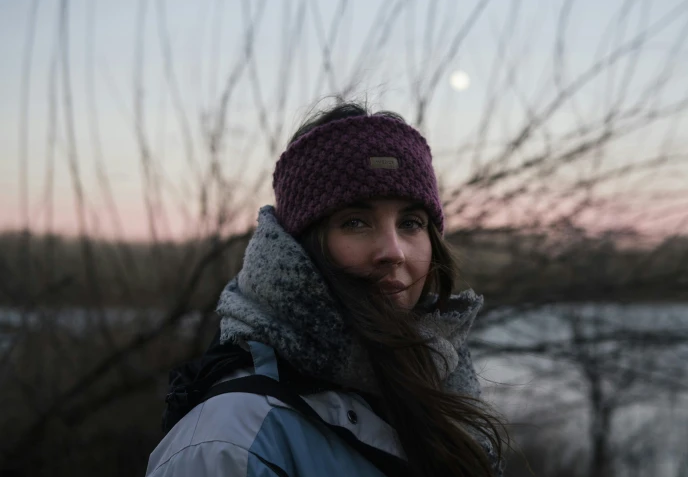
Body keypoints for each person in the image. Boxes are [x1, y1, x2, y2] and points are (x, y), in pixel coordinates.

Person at [145, 103, 506, 477]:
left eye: (411, 222)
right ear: (296, 250)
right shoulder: (231, 446)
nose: (393, 251)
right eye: (355, 222)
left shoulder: (437, 392)